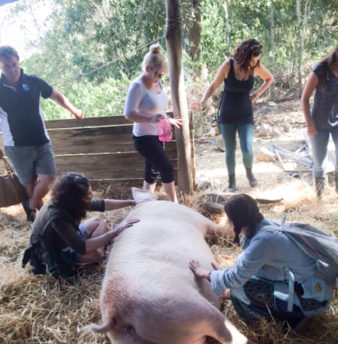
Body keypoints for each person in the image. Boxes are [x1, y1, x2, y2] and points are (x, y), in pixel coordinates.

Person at [189, 194, 333, 328]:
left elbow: (236, 279)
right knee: (248, 279)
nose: (227, 222)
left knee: (238, 289)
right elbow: (250, 267)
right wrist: (223, 275)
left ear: (235, 220)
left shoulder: (263, 240)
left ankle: (286, 322)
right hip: (313, 291)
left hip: (309, 301)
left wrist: (207, 274)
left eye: (229, 218)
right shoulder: (263, 226)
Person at [0, 46, 84, 222]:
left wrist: (73, 109)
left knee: (49, 178)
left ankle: (31, 207)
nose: (11, 69)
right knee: (29, 184)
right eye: (6, 66)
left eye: (14, 64)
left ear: (18, 61)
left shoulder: (33, 81)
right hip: (16, 146)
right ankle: (43, 219)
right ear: (1, 66)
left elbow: (54, 95)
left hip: (41, 140)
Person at [191, 39, 274, 192]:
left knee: (247, 149)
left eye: (257, 60)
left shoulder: (256, 66)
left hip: (245, 114)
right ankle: (232, 181)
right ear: (244, 56)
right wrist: (202, 101)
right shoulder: (228, 65)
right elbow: (213, 85)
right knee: (230, 149)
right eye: (253, 60)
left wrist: (256, 95)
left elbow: (270, 79)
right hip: (227, 114)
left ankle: (250, 174)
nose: (255, 63)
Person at [23, 172, 138, 278]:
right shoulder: (58, 218)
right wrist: (115, 232)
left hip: (66, 239)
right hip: (51, 252)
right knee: (95, 255)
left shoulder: (66, 200)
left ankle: (98, 255)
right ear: (75, 198)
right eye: (88, 195)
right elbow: (82, 247)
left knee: (98, 221)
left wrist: (130, 202)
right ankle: (96, 257)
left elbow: (102, 205)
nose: (90, 198)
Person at [124, 43, 182, 202]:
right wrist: (150, 119)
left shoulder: (158, 82)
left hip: (158, 133)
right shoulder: (137, 86)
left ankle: (144, 203)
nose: (158, 78)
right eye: (156, 74)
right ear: (147, 69)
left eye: (161, 75)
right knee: (167, 168)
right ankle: (174, 205)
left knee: (152, 172)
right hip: (143, 138)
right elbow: (128, 114)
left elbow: (158, 107)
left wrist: (167, 119)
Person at [301, 44, 338, 198]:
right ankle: (319, 199)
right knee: (319, 163)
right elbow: (304, 98)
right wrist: (309, 124)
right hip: (318, 123)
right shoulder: (321, 70)